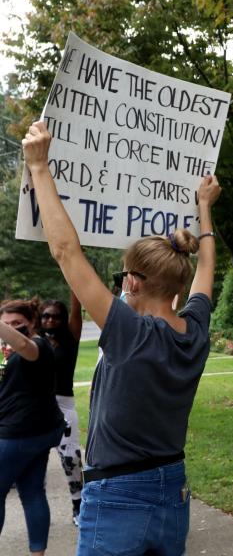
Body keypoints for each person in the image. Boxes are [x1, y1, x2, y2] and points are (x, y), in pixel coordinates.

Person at [22, 120, 220, 556]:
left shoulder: (130, 334)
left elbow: (65, 251)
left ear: (131, 281)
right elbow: (207, 270)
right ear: (177, 286)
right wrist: (204, 208)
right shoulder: (196, 332)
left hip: (119, 495)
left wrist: (39, 166)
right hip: (174, 489)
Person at [0, 301, 65, 556]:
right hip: (37, 431)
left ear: (33, 323)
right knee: (32, 492)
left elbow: (25, 346)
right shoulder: (12, 351)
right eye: (6, 325)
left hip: (19, 433)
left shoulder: (37, 346)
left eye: (17, 324)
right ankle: (38, 553)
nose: (12, 330)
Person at [39, 294, 84, 525]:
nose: (50, 320)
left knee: (71, 459)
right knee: (36, 460)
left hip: (64, 405)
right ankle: (38, 510)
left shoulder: (71, 338)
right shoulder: (34, 341)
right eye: (46, 316)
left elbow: (76, 308)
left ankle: (79, 505)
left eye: (56, 317)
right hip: (37, 406)